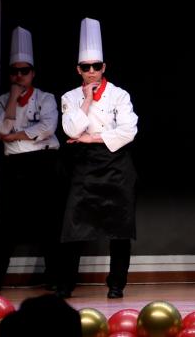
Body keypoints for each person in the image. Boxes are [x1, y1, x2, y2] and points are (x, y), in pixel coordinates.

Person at [57, 18, 139, 299]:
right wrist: (87, 101)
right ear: (78, 70)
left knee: (120, 227)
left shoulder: (119, 95)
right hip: (83, 165)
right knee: (73, 225)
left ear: (104, 67)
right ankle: (66, 283)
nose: (91, 72)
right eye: (85, 67)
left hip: (116, 163)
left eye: (96, 66)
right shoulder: (69, 97)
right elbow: (70, 130)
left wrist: (91, 138)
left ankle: (116, 284)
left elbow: (128, 131)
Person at [0, 27, 61, 292]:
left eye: (24, 71)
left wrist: (14, 136)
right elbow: (0, 129)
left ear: (32, 73)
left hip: (44, 164)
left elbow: (47, 128)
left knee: (49, 223)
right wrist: (14, 100)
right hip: (15, 168)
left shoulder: (46, 98)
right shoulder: (1, 101)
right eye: (14, 72)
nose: (19, 76)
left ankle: (55, 278)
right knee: (4, 226)